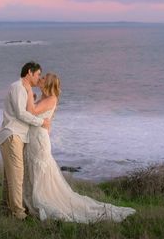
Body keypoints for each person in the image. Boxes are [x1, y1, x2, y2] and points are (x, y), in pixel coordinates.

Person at [22, 72, 136, 223]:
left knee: (40, 172)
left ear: (48, 84)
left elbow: (32, 112)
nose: (40, 79)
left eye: (43, 78)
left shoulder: (51, 99)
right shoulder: (44, 98)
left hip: (39, 141)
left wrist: (29, 90)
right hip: (34, 139)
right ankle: (28, 202)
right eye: (40, 77)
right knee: (33, 171)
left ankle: (41, 202)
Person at [0, 61, 51, 220]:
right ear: (30, 72)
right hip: (13, 135)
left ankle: (6, 208)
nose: (39, 78)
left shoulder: (23, 89)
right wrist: (42, 122)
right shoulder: (18, 87)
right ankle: (18, 213)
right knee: (17, 176)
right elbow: (21, 114)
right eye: (38, 74)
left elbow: (24, 110)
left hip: (16, 136)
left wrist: (31, 97)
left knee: (10, 176)